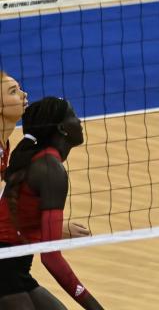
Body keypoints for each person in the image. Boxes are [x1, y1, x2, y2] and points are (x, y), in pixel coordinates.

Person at [0, 97, 104, 310]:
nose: (80, 121)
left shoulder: (41, 161)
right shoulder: (50, 170)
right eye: (73, 116)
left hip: (15, 267)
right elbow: (50, 257)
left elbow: (17, 221)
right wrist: (94, 306)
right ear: (63, 129)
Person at [0, 73, 88, 239]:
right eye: (13, 92)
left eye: (19, 88)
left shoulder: (4, 144)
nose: (23, 94)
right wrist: (52, 229)